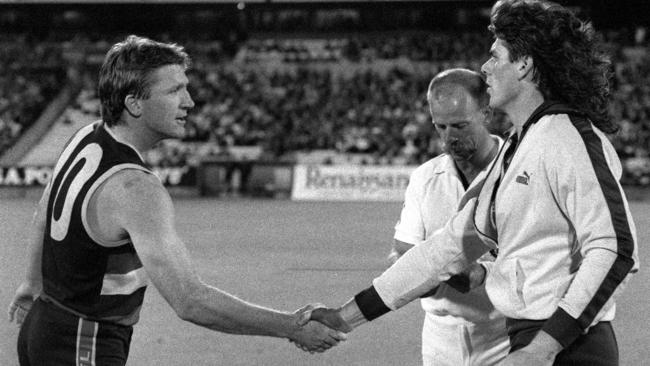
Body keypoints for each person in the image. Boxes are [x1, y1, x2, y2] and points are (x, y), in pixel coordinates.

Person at [305, 1, 638, 365]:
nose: (485, 67)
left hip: (570, 347)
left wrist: (543, 348)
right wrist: (344, 317)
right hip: (535, 341)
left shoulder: (569, 137)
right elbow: (444, 251)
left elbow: (616, 248)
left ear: (524, 64)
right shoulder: (520, 145)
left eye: (496, 57)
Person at [7, 35, 345, 366]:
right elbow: (189, 301)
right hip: (84, 343)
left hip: (44, 325)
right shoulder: (136, 189)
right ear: (134, 103)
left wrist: (31, 283)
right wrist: (291, 326)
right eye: (174, 91)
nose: (189, 102)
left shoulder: (87, 135)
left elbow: (44, 210)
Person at [389, 68, 509, 366]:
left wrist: (474, 273)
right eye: (440, 126)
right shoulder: (425, 177)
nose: (449, 138)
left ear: (487, 114)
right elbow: (404, 251)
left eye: (459, 125)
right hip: (439, 339)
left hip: (507, 335)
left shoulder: (519, 170)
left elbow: (540, 260)